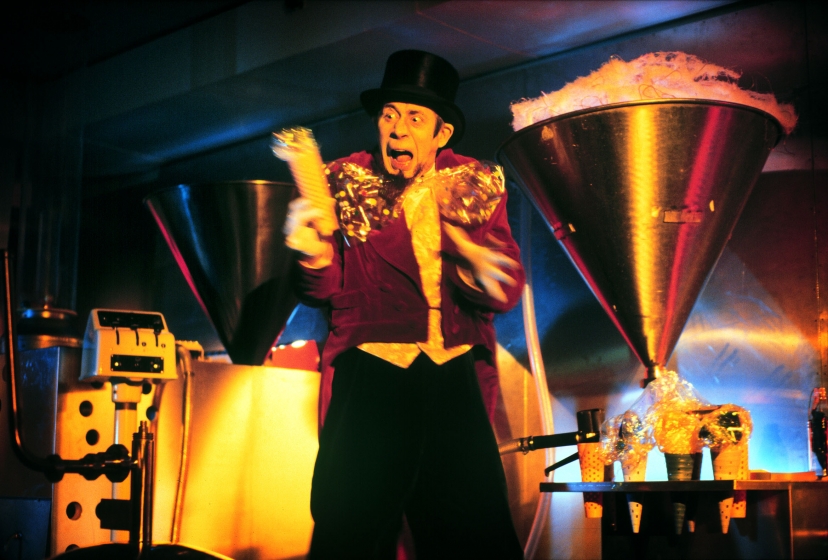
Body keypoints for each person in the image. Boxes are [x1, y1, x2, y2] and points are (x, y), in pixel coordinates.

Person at [283, 49, 525, 560]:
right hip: (374, 371)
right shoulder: (345, 179)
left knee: (475, 532)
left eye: (415, 118)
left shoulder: (475, 183)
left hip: (453, 369)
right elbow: (323, 290)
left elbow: (506, 290)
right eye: (389, 115)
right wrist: (312, 255)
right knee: (350, 530)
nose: (397, 129)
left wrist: (476, 267)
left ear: (441, 133)